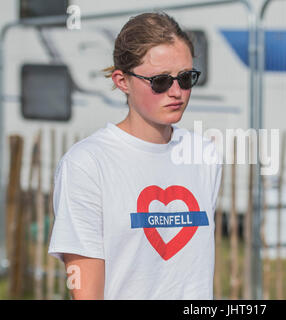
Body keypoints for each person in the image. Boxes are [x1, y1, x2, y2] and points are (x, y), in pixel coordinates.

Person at [48, 12, 223, 300]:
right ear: (122, 81)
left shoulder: (203, 155)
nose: (177, 92)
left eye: (186, 78)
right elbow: (86, 290)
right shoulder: (86, 164)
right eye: (160, 81)